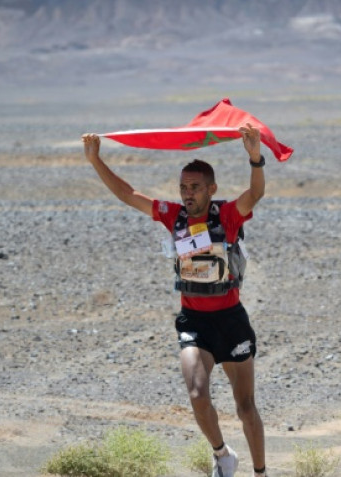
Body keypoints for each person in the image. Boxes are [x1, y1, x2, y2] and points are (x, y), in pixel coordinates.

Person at [82, 124, 267, 477]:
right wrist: (96, 160)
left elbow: (255, 194)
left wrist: (255, 158)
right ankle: (223, 455)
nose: (187, 194)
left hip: (231, 321)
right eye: (183, 187)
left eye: (195, 187)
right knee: (198, 395)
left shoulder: (226, 215)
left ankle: (260, 472)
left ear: (211, 189)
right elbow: (128, 194)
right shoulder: (174, 217)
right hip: (193, 322)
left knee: (245, 407)